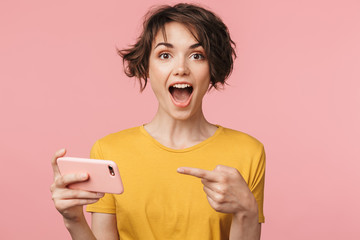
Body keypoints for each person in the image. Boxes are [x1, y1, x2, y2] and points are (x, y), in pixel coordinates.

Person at [50, 3, 265, 240]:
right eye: (165, 55)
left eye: (197, 55)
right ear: (146, 67)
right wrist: (73, 219)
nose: (181, 68)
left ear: (212, 68)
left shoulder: (248, 152)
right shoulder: (109, 151)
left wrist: (247, 210)